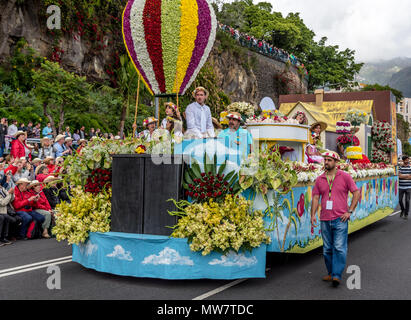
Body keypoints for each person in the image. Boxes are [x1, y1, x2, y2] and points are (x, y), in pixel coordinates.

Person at [311, 151, 360, 287]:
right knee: (327, 248)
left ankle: (337, 275)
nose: (326, 162)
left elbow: (356, 193)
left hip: (340, 218)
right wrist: (312, 214)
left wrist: (349, 211)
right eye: (325, 160)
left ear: (336, 162)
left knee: (339, 247)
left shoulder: (345, 177)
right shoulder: (320, 179)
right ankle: (331, 272)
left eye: (329, 160)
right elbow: (315, 197)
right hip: (325, 219)